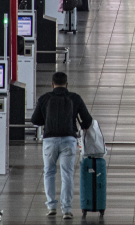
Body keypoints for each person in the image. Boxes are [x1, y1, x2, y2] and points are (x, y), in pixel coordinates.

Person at [31, 72, 93, 219]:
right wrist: (81, 127)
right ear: (66, 84)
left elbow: (35, 120)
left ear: (52, 84)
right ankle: (66, 210)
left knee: (49, 172)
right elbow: (88, 120)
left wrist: (46, 119)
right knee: (67, 174)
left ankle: (51, 206)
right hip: (68, 140)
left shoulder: (45, 98)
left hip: (49, 141)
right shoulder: (75, 98)